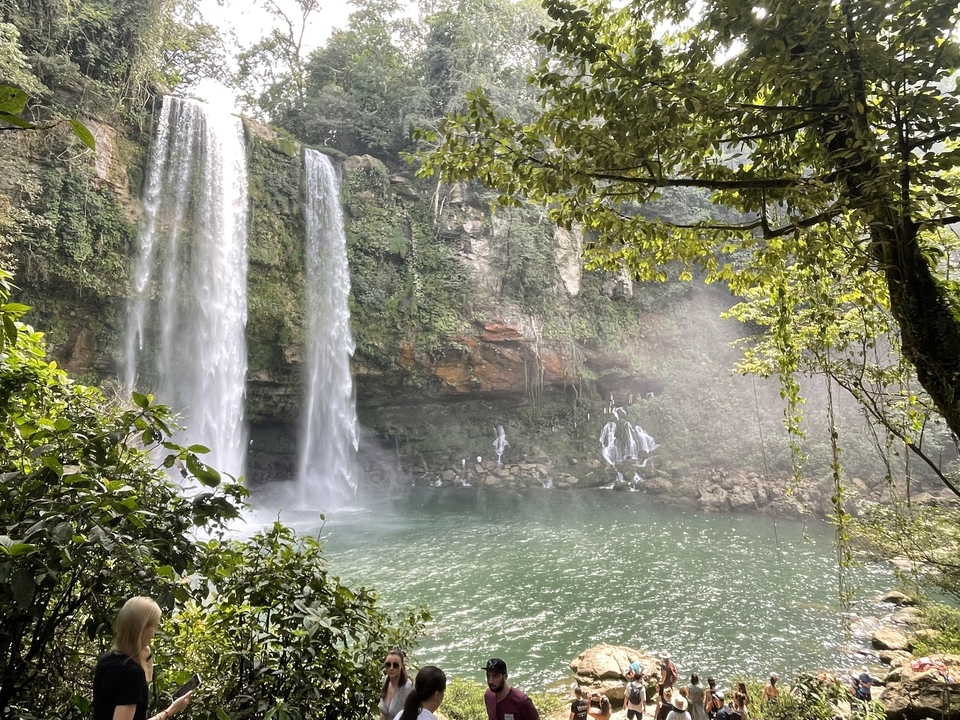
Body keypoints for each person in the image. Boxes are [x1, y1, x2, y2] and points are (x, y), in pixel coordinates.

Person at [93, 596, 193, 720]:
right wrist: (169, 711)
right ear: (142, 629)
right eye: (154, 626)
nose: (154, 633)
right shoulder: (131, 673)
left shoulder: (106, 660)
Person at [380, 649, 415, 720]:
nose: (391, 668)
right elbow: (383, 714)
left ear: (402, 666)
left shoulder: (409, 688)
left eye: (395, 665)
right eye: (388, 664)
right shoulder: (386, 680)